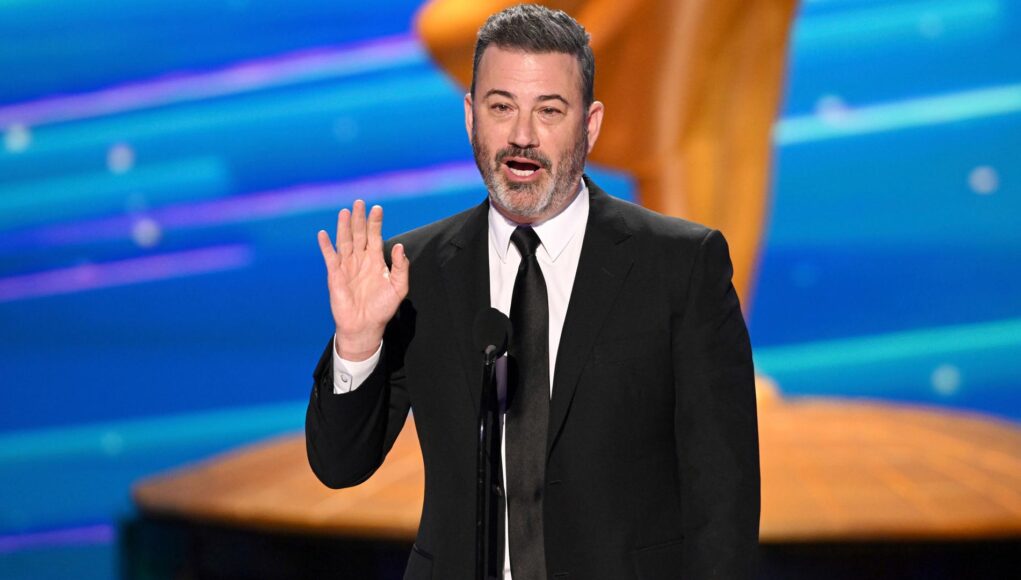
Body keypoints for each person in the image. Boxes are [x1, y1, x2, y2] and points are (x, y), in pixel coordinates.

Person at [306, 4, 759, 579]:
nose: (522, 137)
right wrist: (357, 344)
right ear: (470, 116)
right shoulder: (411, 272)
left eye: (549, 110)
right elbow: (340, 465)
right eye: (501, 107)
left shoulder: (679, 266)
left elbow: (724, 498)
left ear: (590, 124)